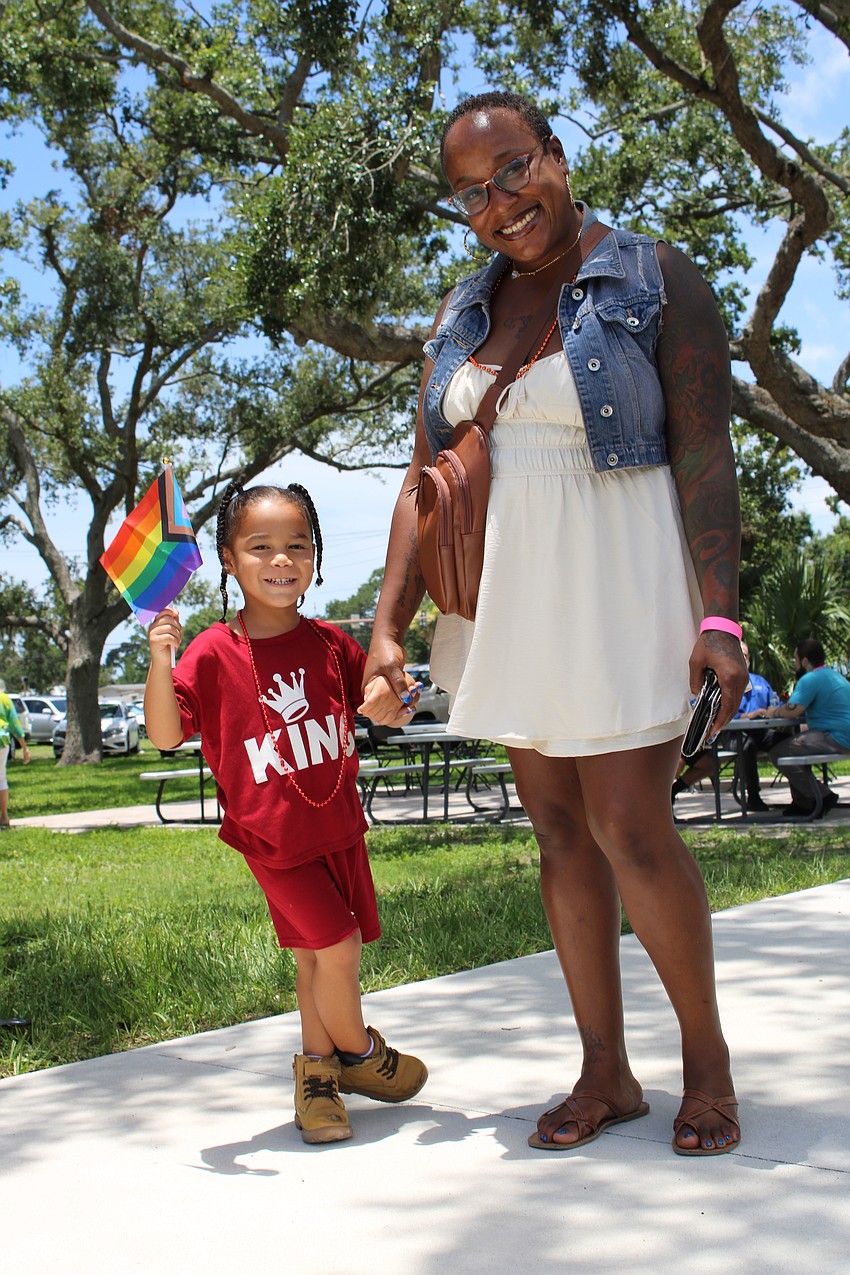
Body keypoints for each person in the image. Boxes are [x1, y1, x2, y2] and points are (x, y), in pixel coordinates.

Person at [361, 90, 748, 1156]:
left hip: (623, 570)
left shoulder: (654, 276)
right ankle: (604, 1072)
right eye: (473, 193)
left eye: (515, 169)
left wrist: (720, 613)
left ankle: (706, 1068)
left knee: (630, 823)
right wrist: (386, 628)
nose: (501, 202)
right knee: (559, 832)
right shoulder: (460, 312)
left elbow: (707, 453)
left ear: (558, 155)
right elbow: (421, 482)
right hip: (511, 587)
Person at [144, 481, 427, 1145]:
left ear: (316, 557)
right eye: (261, 546)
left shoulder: (331, 643)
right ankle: (360, 1056)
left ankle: (318, 1080)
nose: (281, 560)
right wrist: (161, 658)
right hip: (272, 839)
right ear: (227, 558)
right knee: (338, 945)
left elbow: (382, 698)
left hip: (337, 827)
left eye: (297, 545)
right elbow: (163, 732)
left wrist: (397, 695)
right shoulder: (213, 650)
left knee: (311, 960)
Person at [671, 642, 787, 812]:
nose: (744, 659)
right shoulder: (716, 683)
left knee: (787, 743)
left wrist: (773, 711)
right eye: (741, 654)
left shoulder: (760, 682)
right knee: (746, 746)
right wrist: (745, 716)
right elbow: (705, 713)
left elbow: (775, 704)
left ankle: (806, 798)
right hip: (730, 734)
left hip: (760, 730)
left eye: (746, 656)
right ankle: (753, 796)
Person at [754, 638, 850, 817]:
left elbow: (791, 710)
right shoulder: (833, 675)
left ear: (805, 661)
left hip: (836, 736)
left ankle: (822, 796)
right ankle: (803, 803)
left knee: (779, 752)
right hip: (842, 734)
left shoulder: (810, 679)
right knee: (792, 748)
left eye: (796, 660)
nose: (795, 664)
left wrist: (771, 712)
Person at [0, 680, 31, 828]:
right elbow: (14, 724)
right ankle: (4, 816)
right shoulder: (5, 699)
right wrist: (24, 747)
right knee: (1, 778)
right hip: (2, 741)